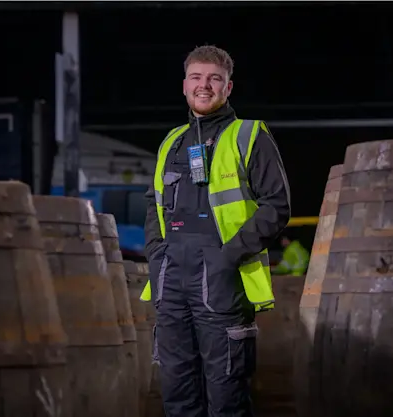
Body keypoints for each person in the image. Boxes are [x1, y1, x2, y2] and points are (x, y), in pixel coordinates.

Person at [140, 45, 291, 417]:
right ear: (184, 85)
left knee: (226, 392)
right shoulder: (171, 141)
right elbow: (153, 204)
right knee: (176, 389)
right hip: (171, 275)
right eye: (196, 77)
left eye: (214, 79)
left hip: (222, 276)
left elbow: (277, 204)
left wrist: (228, 255)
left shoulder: (249, 135)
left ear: (228, 87)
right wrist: (157, 252)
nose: (204, 85)